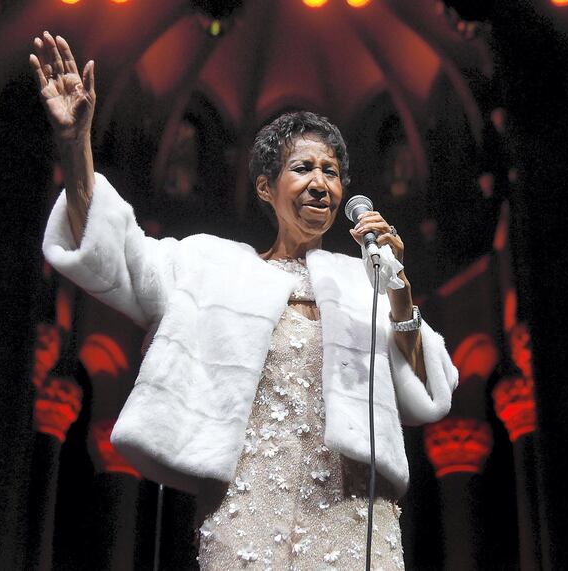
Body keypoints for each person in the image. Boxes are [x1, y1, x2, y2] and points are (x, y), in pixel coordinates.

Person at [31, 31, 458, 570]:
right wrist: (75, 146)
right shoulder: (212, 267)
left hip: (353, 517)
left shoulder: (363, 282)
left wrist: (397, 291)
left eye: (330, 172)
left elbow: (428, 391)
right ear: (265, 187)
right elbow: (115, 251)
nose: (320, 183)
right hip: (248, 509)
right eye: (303, 168)